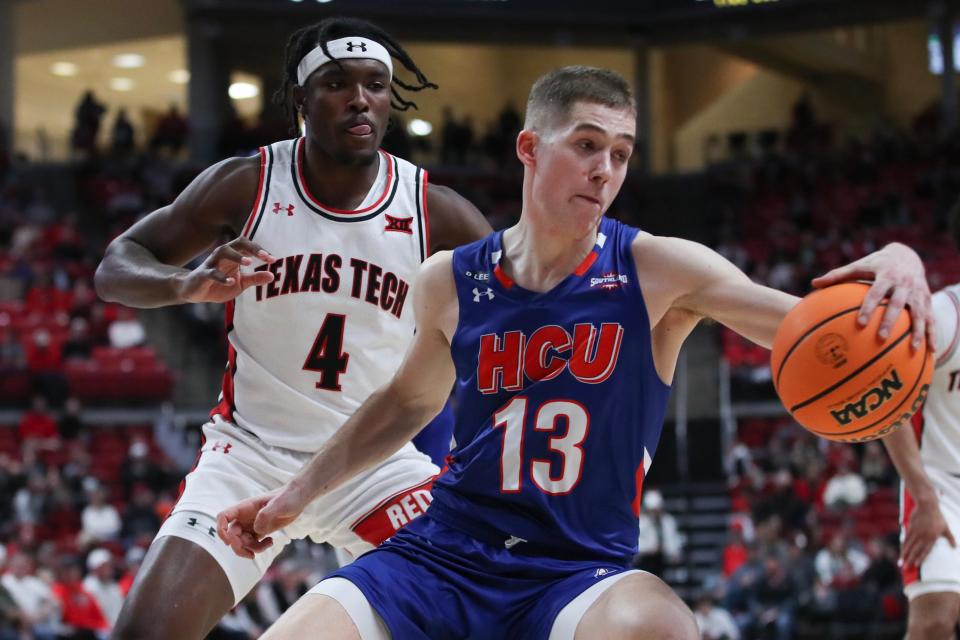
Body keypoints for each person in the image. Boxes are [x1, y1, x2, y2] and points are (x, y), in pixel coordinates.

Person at [218, 65, 931, 639]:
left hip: (575, 572)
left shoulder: (660, 270)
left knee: (660, 626)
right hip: (441, 558)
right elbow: (407, 401)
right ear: (530, 148)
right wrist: (292, 499)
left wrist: (901, 256)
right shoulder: (448, 280)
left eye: (620, 154)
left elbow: (824, 339)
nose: (605, 169)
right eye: (587, 145)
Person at [94, 16, 490, 640]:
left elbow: (519, 323)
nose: (360, 98)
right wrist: (184, 283)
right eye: (336, 82)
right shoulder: (248, 183)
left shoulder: (435, 212)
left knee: (466, 619)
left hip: (373, 463)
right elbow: (115, 265)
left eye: (376, 84)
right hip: (250, 454)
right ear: (301, 100)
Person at [881, 203, 960, 639]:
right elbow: (888, 398)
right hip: (941, 487)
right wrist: (924, 497)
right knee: (933, 622)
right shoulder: (945, 316)